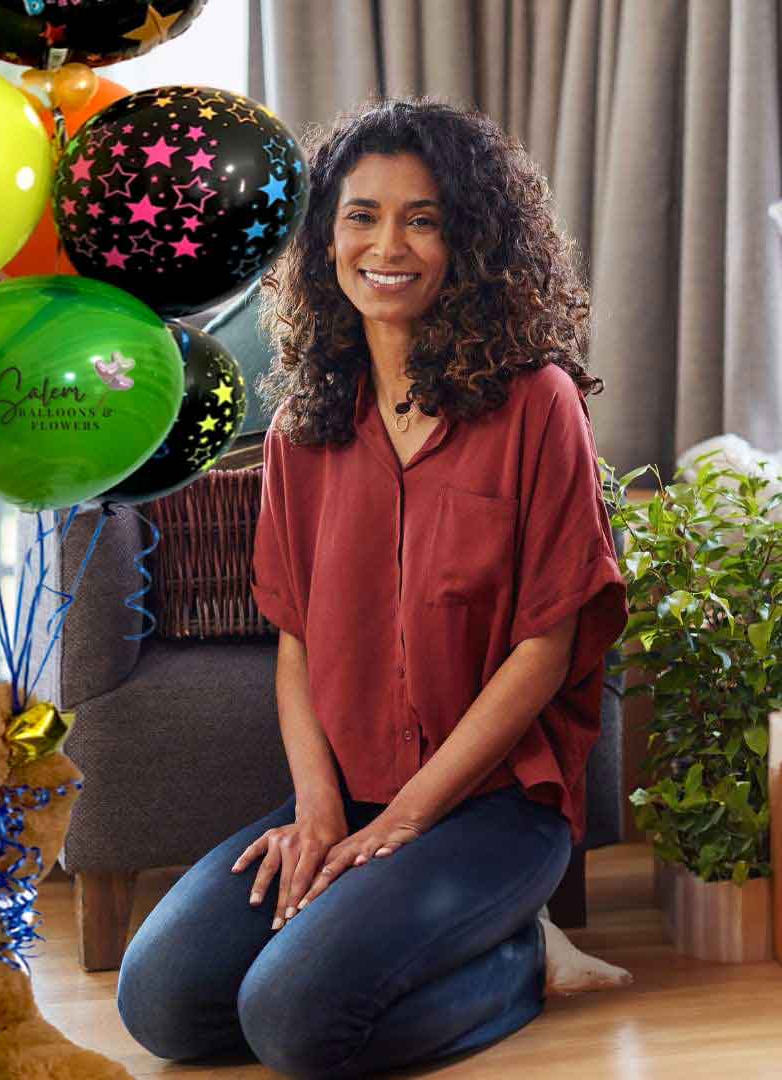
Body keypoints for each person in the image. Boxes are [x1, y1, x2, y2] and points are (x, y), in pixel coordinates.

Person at [116, 96, 632, 1079]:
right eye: (362, 216)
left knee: (295, 1025)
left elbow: (546, 649)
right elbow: (297, 638)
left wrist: (405, 821)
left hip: (495, 806)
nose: (387, 246)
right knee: (165, 1005)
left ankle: (521, 955)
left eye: (422, 219)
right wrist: (318, 810)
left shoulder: (537, 404)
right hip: (347, 792)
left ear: (470, 243)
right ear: (326, 239)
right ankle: (400, 942)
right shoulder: (304, 426)